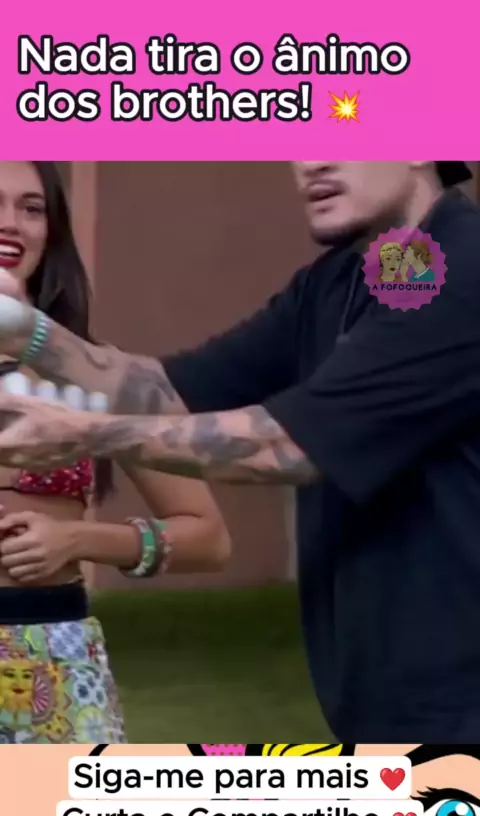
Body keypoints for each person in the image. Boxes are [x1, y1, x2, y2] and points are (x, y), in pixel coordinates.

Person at [0, 160, 477, 742]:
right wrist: (24, 328)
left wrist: (89, 434)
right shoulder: (351, 278)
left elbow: (288, 445)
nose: (312, 162)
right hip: (381, 696)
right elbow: (168, 390)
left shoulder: (463, 270)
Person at [0, 160, 231, 744]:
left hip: (50, 668)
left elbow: (207, 536)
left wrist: (78, 540)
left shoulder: (104, 374)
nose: (12, 224)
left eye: (32, 208)